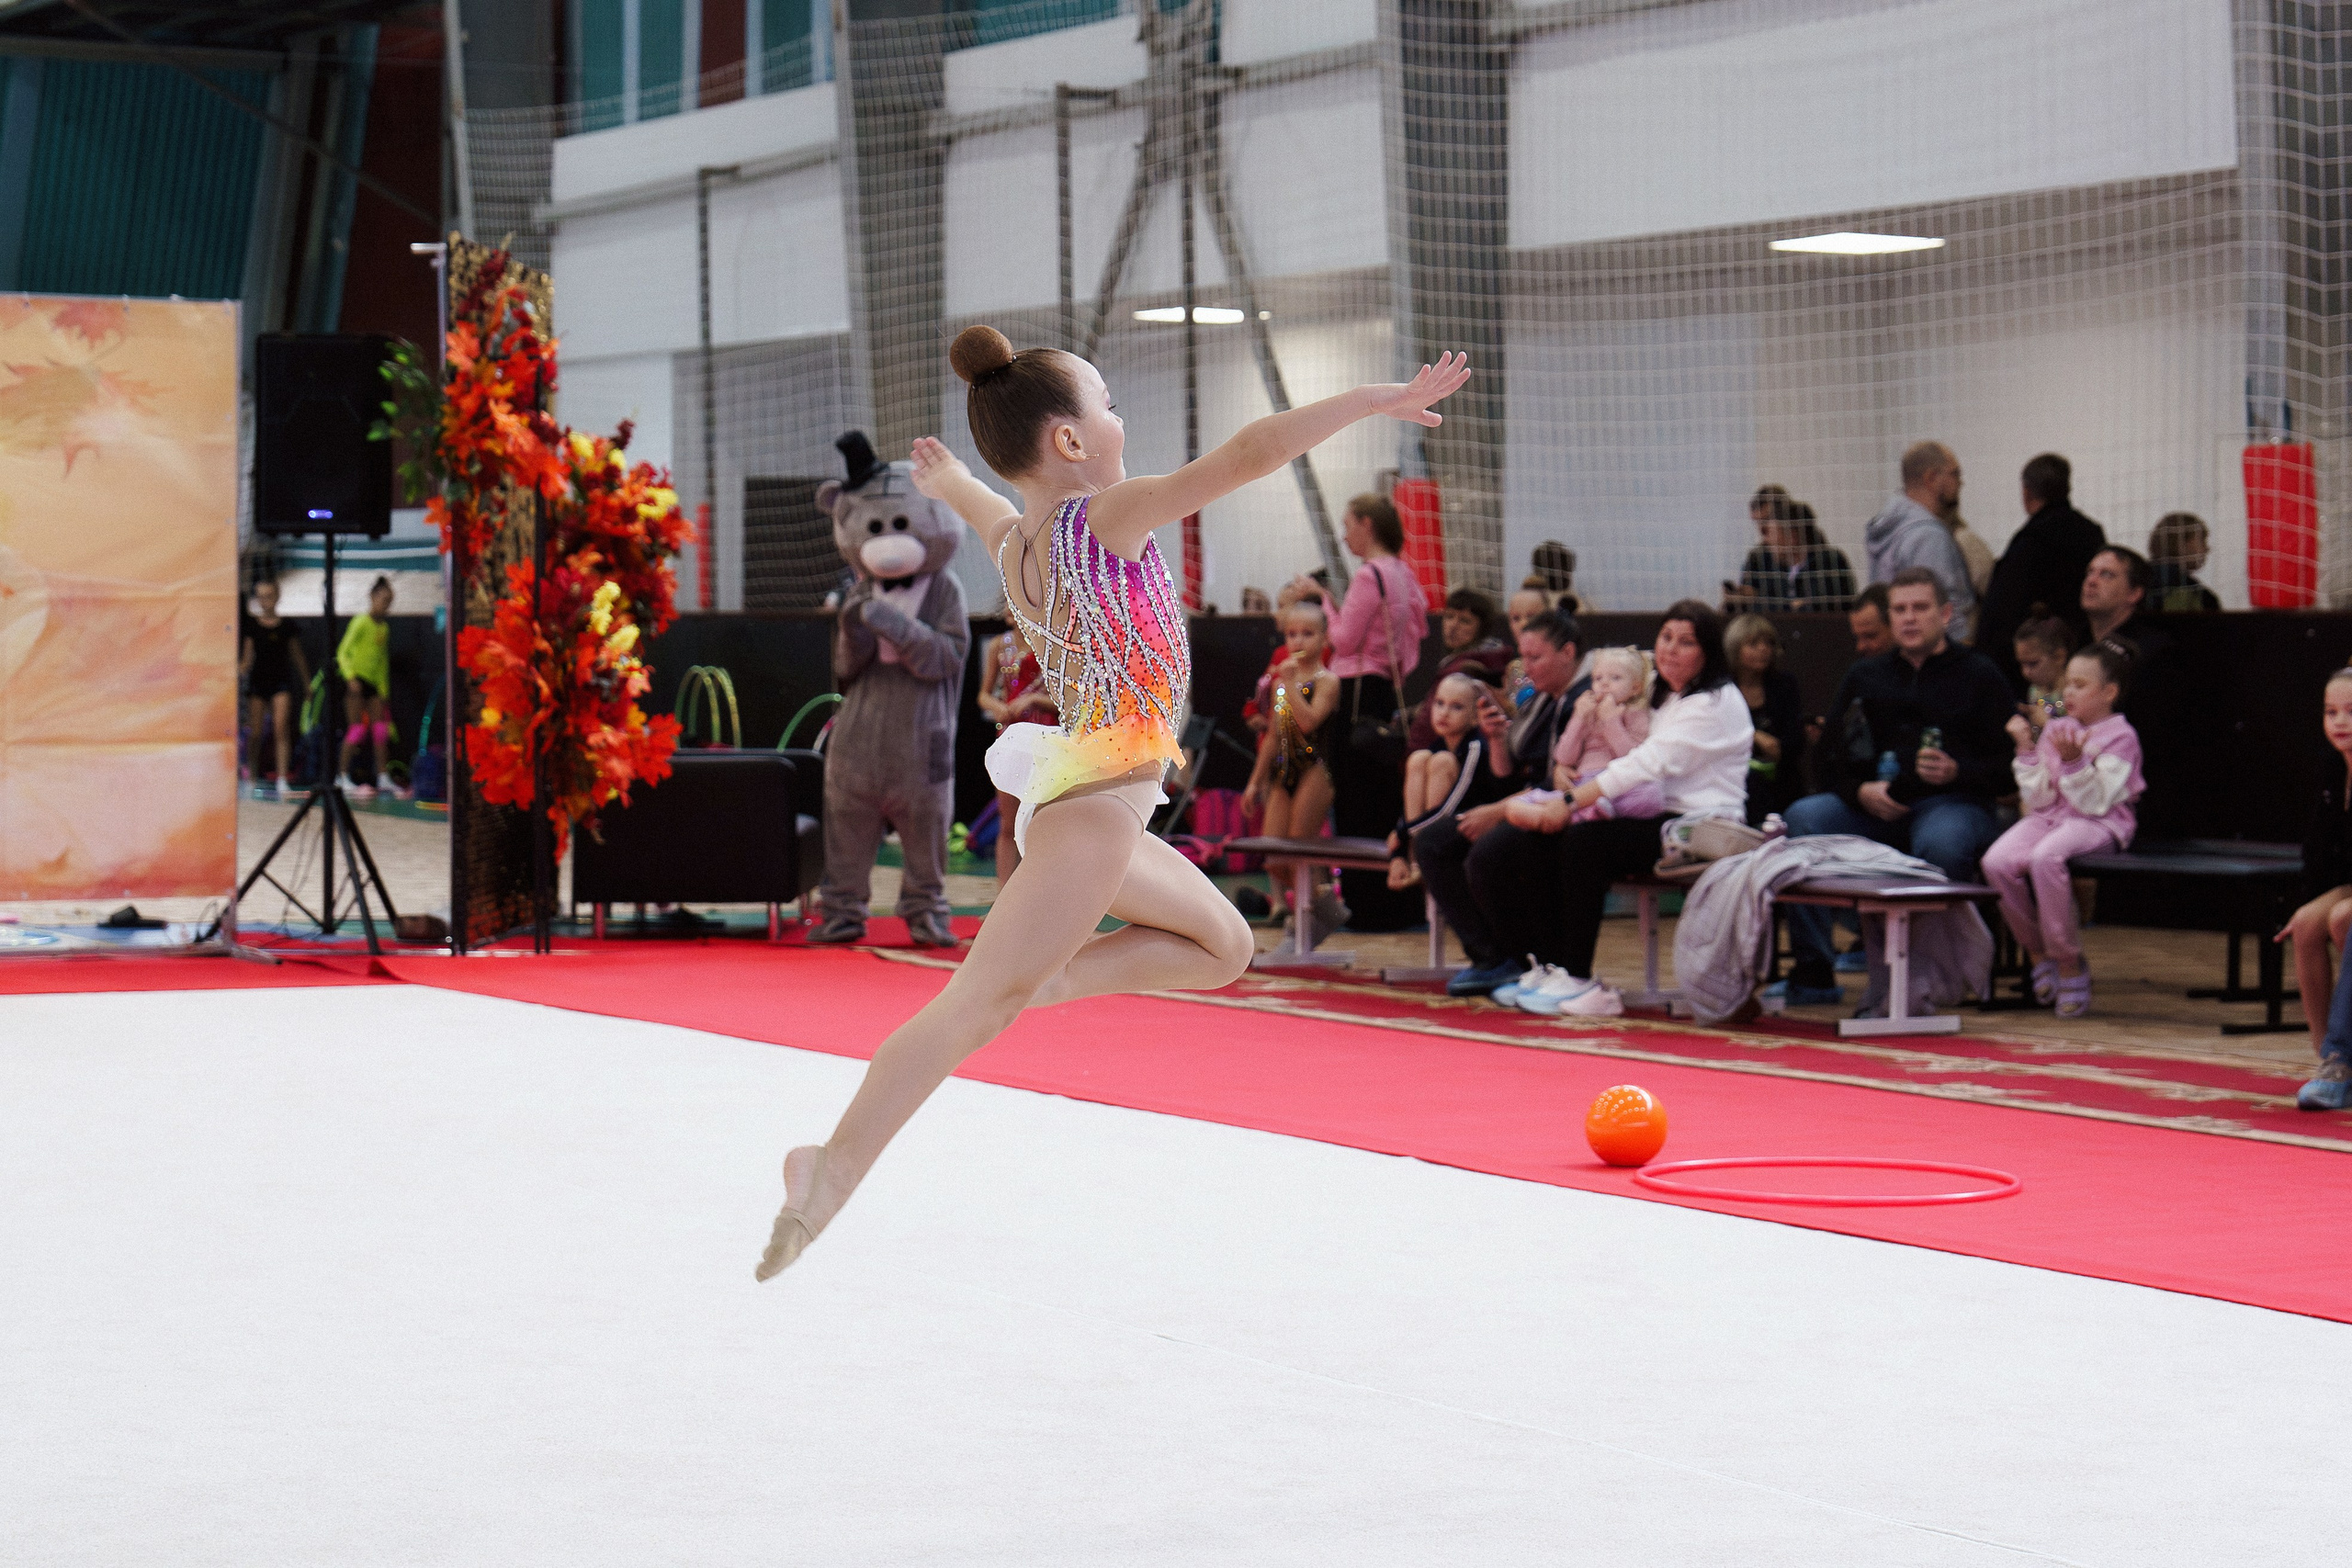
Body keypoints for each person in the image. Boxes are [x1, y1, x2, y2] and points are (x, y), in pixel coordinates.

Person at [752, 328, 1470, 1279]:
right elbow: (1248, 453)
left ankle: (1045, 978)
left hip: (1094, 803)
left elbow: (989, 509)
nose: (1119, 419)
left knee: (1224, 948)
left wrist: (951, 482)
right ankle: (831, 1167)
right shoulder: (1107, 518)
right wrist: (1370, 400)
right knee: (971, 1006)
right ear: (1071, 444)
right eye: (1109, 404)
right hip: (1093, 807)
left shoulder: (1019, 546)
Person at [1485, 601, 1752, 1018]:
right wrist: (1564, 771)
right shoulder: (1660, 692)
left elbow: (1645, 764)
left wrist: (1572, 802)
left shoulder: (1715, 702)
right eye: (1665, 638)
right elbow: (1620, 681)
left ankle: (1577, 976)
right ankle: (1549, 966)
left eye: (1686, 643)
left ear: (1708, 652)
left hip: (1698, 825)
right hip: (1648, 810)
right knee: (1530, 843)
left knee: (1583, 843)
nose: (1670, 650)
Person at [1780, 568, 2015, 1004]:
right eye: (1900, 609)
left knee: (1943, 843)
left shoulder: (1981, 674)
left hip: (1952, 802)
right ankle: (1813, 968)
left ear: (1945, 614)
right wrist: (1859, 792)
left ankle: (1933, 979)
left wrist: (1957, 772)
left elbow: (2010, 768)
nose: (1909, 618)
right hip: (1874, 807)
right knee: (1803, 820)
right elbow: (1825, 756)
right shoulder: (1865, 676)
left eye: (1920, 608)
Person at [1417, 607, 1587, 996]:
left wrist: (1497, 812)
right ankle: (1491, 957)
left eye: (1535, 658)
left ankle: (1525, 957)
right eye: (1523, 657)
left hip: (1561, 808)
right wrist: (1497, 741)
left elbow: (1558, 780)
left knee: (1489, 852)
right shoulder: (1539, 700)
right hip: (1523, 801)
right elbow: (1508, 775)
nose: (1526, 667)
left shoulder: (1583, 700)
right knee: (1434, 842)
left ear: (1567, 653)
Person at [1982, 638, 2144, 1018]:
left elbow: (2096, 803)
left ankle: (2068, 960)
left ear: (2109, 693)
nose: (2068, 692)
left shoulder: (2122, 737)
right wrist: (2026, 751)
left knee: (2045, 857)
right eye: (2067, 683)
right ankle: (2038, 953)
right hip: (2051, 818)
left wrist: (2073, 765)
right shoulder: (2058, 726)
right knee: (1997, 861)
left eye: (2080, 685)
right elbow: (2038, 799)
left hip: (2099, 822)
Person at [1291, 493, 1430, 930]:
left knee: (1355, 802)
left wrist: (1323, 599)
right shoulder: (1407, 575)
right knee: (1386, 799)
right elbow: (1417, 637)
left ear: (1367, 524)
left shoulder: (1371, 575)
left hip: (1356, 696)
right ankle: (1399, 901)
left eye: (1349, 523)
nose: (1346, 533)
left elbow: (1345, 639)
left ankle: (1368, 907)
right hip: (1387, 694)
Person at [1242, 601, 1342, 932]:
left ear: (1325, 639)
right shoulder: (1278, 682)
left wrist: (1289, 686)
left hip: (1317, 769)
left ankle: (1312, 912)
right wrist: (1255, 782)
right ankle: (1324, 904)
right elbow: (1273, 735)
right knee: (1274, 854)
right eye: (1292, 634)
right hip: (1283, 769)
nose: (1298, 642)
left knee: (1300, 844)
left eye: (1308, 634)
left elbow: (1309, 721)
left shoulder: (1328, 681)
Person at [2281, 670, 2352, 1111]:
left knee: (2344, 919)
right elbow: (2320, 848)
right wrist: (2307, 900)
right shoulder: (2332, 766)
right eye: (2331, 712)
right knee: (2307, 923)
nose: (2340, 721)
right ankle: (2326, 1056)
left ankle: (2344, 1057)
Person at [1978, 453, 2107, 688]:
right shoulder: (2091, 534)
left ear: (2026, 493)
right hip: (2085, 657)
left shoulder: (2029, 542)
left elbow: (2001, 614)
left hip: (2036, 670)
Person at [1388, 672, 1515, 889]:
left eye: (1457, 707)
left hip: (1470, 826)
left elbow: (1453, 806)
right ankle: (1414, 857)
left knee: (1442, 762)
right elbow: (1411, 805)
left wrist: (1402, 833)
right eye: (1439, 703)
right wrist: (1399, 851)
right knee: (1419, 758)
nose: (1444, 713)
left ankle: (1420, 857)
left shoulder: (1475, 747)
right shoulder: (1437, 745)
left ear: (1475, 716)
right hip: (1431, 830)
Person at [1864, 441, 1977, 639]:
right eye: (1954, 474)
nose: (1961, 483)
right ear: (1931, 477)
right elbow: (1947, 608)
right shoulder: (1928, 536)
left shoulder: (1889, 528)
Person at [976, 626, 1057, 881]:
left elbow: (1070, 700)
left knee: (1044, 823)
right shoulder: (999, 645)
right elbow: (983, 695)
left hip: (1047, 738)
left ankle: (1042, 897)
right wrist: (997, 707)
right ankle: (1003, 900)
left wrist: (1034, 701)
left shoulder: (1053, 643)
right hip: (1011, 736)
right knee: (1008, 823)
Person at [1547, 647, 1659, 822]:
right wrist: (1579, 717)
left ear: (1635, 688)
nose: (1604, 684)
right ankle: (1591, 809)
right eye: (1598, 678)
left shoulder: (1636, 713)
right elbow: (1564, 758)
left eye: (1615, 678)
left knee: (1652, 795)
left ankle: (1588, 812)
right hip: (1587, 780)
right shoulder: (1588, 711)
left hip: (1620, 782)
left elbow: (1632, 758)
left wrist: (1610, 721)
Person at [1724, 613, 1806, 826]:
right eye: (1753, 644)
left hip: (1781, 778)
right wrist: (1754, 736)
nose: (1764, 649)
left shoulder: (1784, 684)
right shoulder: (1723, 689)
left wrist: (1778, 749)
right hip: (1734, 781)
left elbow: (1796, 740)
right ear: (1735, 648)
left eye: (1768, 643)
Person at [1407, 588, 1511, 750]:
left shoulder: (1465, 667)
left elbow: (1427, 724)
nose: (1453, 626)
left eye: (1465, 621)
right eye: (1449, 616)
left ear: (1482, 628)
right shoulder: (1486, 657)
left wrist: (1412, 751)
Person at [240, 578, 309, 800]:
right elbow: (247, 659)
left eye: (269, 596)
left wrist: (307, 683)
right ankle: (250, 775)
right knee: (256, 732)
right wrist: (238, 671)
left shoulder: (287, 626)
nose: (265, 601)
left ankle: (281, 779)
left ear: (277, 596)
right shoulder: (252, 626)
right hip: (259, 683)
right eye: (260, 597)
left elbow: (297, 656)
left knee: (281, 727)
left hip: (281, 682)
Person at [1731, 496, 1856, 613]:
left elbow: (1815, 609)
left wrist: (1761, 603)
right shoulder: (1779, 571)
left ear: (1792, 537)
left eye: (1771, 534)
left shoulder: (1830, 561)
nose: (1766, 541)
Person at [335, 574, 395, 797]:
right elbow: (342, 652)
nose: (386, 605)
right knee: (357, 729)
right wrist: (350, 677)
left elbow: (382, 662)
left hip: (374, 685)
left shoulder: (384, 628)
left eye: (389, 601)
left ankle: (383, 776)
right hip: (355, 681)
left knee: (380, 730)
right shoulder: (361, 621)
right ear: (372, 597)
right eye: (382, 599)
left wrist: (384, 692)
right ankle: (341, 776)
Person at [2010, 607, 2075, 744]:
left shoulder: (2074, 694)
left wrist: (2047, 724)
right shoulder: (2035, 690)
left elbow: (2078, 741)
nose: (2025, 672)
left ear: (2059, 657)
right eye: (2022, 664)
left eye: (2033, 664)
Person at [2148, 512, 2222, 612]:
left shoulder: (2133, 581)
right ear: (2181, 543)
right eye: (2202, 540)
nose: (2207, 548)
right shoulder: (2200, 596)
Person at [1500, 585, 1552, 706]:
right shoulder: (1514, 667)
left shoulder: (1554, 664)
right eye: (1516, 618)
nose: (1524, 624)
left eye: (1531, 616)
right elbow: (1511, 710)